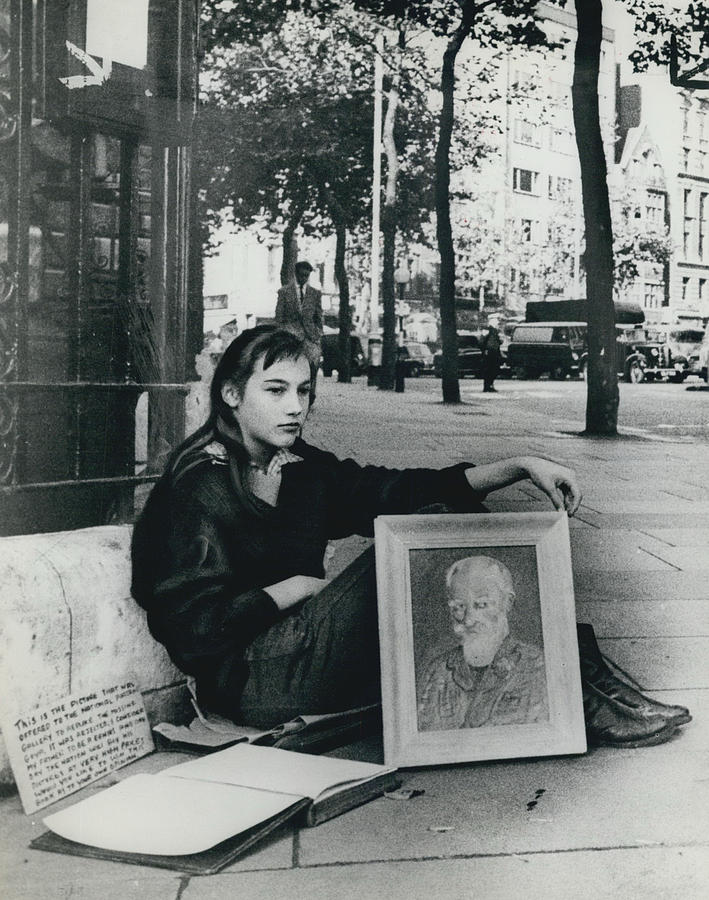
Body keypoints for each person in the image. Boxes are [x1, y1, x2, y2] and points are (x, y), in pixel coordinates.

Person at [131, 325, 690, 746]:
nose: (295, 407)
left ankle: (584, 685)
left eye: (303, 391)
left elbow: (395, 490)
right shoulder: (197, 487)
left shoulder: (297, 467)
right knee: (402, 555)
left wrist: (518, 465)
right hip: (255, 681)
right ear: (230, 394)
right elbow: (189, 630)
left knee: (437, 513)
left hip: (312, 652)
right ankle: (583, 696)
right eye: (275, 391)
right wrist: (289, 591)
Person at [417, 556, 548, 731]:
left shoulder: (537, 667)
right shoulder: (438, 671)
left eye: (481, 604)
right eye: (458, 607)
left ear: (507, 602)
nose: (469, 620)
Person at [275, 260, 323, 367]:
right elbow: (279, 317)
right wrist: (281, 335)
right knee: (289, 367)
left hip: (310, 338)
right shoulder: (284, 292)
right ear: (296, 274)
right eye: (302, 275)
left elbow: (319, 317)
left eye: (307, 276)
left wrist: (318, 334)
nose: (304, 278)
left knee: (312, 366)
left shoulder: (315, 293)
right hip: (289, 337)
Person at [480, 320, 503, 392]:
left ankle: (489, 385)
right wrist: (485, 350)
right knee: (489, 370)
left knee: (493, 370)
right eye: (498, 324)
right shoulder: (488, 331)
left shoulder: (495, 332)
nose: (499, 325)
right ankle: (487, 386)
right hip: (490, 353)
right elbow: (482, 342)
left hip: (493, 353)